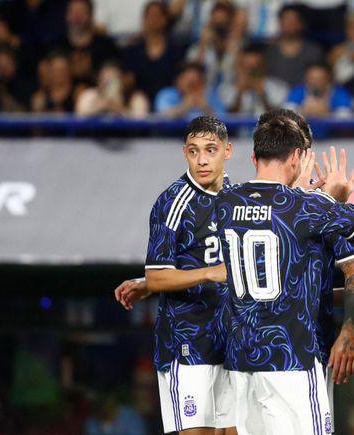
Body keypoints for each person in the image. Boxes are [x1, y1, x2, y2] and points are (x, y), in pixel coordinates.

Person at [216, 117, 354, 435]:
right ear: (297, 157)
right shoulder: (305, 206)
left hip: (242, 356)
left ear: (255, 157)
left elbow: (271, 213)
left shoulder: (227, 202)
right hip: (292, 356)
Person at [115, 116, 237, 435]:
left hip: (234, 340)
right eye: (194, 151)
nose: (202, 159)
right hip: (189, 343)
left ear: (228, 150)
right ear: (185, 153)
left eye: (211, 150)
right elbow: (157, 277)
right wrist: (210, 273)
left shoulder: (238, 200)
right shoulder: (172, 202)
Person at [75, 61, 149, 117]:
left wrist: (117, 107)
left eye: (113, 81)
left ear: (122, 80)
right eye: (106, 81)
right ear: (99, 82)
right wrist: (101, 105)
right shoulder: (90, 95)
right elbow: (79, 117)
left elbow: (141, 122)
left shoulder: (135, 97)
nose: (110, 86)